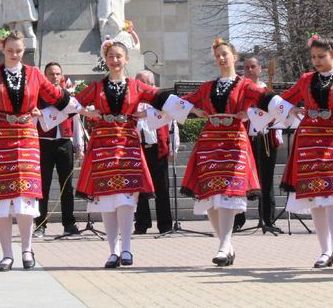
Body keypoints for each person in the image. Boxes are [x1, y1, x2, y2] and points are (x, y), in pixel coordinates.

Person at [0, 30, 75, 272]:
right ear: (3, 49)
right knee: (2, 196)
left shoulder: (33, 74)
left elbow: (58, 98)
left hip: (26, 136)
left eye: (18, 51)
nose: (14, 54)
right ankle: (6, 254)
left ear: (24, 51)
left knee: (25, 195)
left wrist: (84, 109)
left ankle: (27, 249)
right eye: (10, 50)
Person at [264, 35, 333, 270]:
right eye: (313, 57)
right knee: (316, 196)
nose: (316, 61)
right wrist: (291, 108)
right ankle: (324, 249)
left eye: (321, 56)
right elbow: (282, 99)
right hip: (309, 139)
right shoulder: (307, 79)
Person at [77, 40, 177, 269]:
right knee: (107, 200)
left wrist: (145, 113)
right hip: (102, 146)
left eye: (118, 56)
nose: (114, 60)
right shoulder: (97, 87)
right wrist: (89, 111)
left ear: (126, 59)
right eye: (111, 56)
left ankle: (127, 249)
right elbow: (72, 103)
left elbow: (162, 99)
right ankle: (112, 251)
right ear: (106, 59)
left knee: (126, 198)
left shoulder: (136, 86)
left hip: (127, 145)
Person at [182, 40, 272, 266]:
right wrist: (195, 110)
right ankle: (225, 245)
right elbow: (182, 101)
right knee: (211, 194)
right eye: (217, 56)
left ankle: (223, 246)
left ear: (235, 56)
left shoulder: (245, 85)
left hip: (233, 141)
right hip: (210, 142)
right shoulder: (207, 87)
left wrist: (249, 112)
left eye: (225, 54)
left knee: (228, 191)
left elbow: (266, 100)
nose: (221, 59)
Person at [233, 55, 283, 234]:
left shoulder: (268, 90)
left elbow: (277, 112)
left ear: (260, 68)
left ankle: (268, 219)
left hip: (266, 138)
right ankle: (238, 220)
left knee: (267, 180)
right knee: (240, 180)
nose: (250, 70)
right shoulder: (241, 91)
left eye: (253, 66)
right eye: (246, 67)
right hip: (246, 139)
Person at [35, 61, 83, 238]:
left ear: (61, 76)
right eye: (51, 74)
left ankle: (69, 224)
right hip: (43, 143)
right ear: (45, 76)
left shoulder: (67, 96)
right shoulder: (38, 96)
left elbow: (76, 121)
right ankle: (40, 224)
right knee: (43, 186)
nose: (54, 77)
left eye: (57, 74)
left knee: (67, 186)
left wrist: (78, 146)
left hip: (64, 143)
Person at [134, 69, 176, 236]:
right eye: (137, 82)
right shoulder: (133, 102)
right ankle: (142, 224)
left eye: (142, 82)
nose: (139, 86)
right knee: (140, 189)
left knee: (162, 190)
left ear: (151, 84)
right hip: (138, 151)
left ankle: (165, 225)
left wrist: (172, 148)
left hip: (158, 150)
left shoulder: (160, 101)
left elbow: (173, 126)